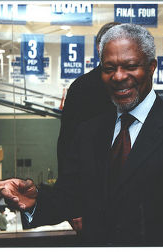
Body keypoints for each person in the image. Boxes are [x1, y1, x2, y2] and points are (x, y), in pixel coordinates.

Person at [0, 24, 163, 246]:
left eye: (130, 66)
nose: (118, 76)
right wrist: (34, 202)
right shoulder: (89, 132)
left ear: (151, 67)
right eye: (109, 68)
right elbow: (70, 196)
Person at [58, 21, 120, 232]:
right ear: (99, 49)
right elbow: (66, 148)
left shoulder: (138, 87)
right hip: (91, 198)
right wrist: (73, 207)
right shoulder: (81, 89)